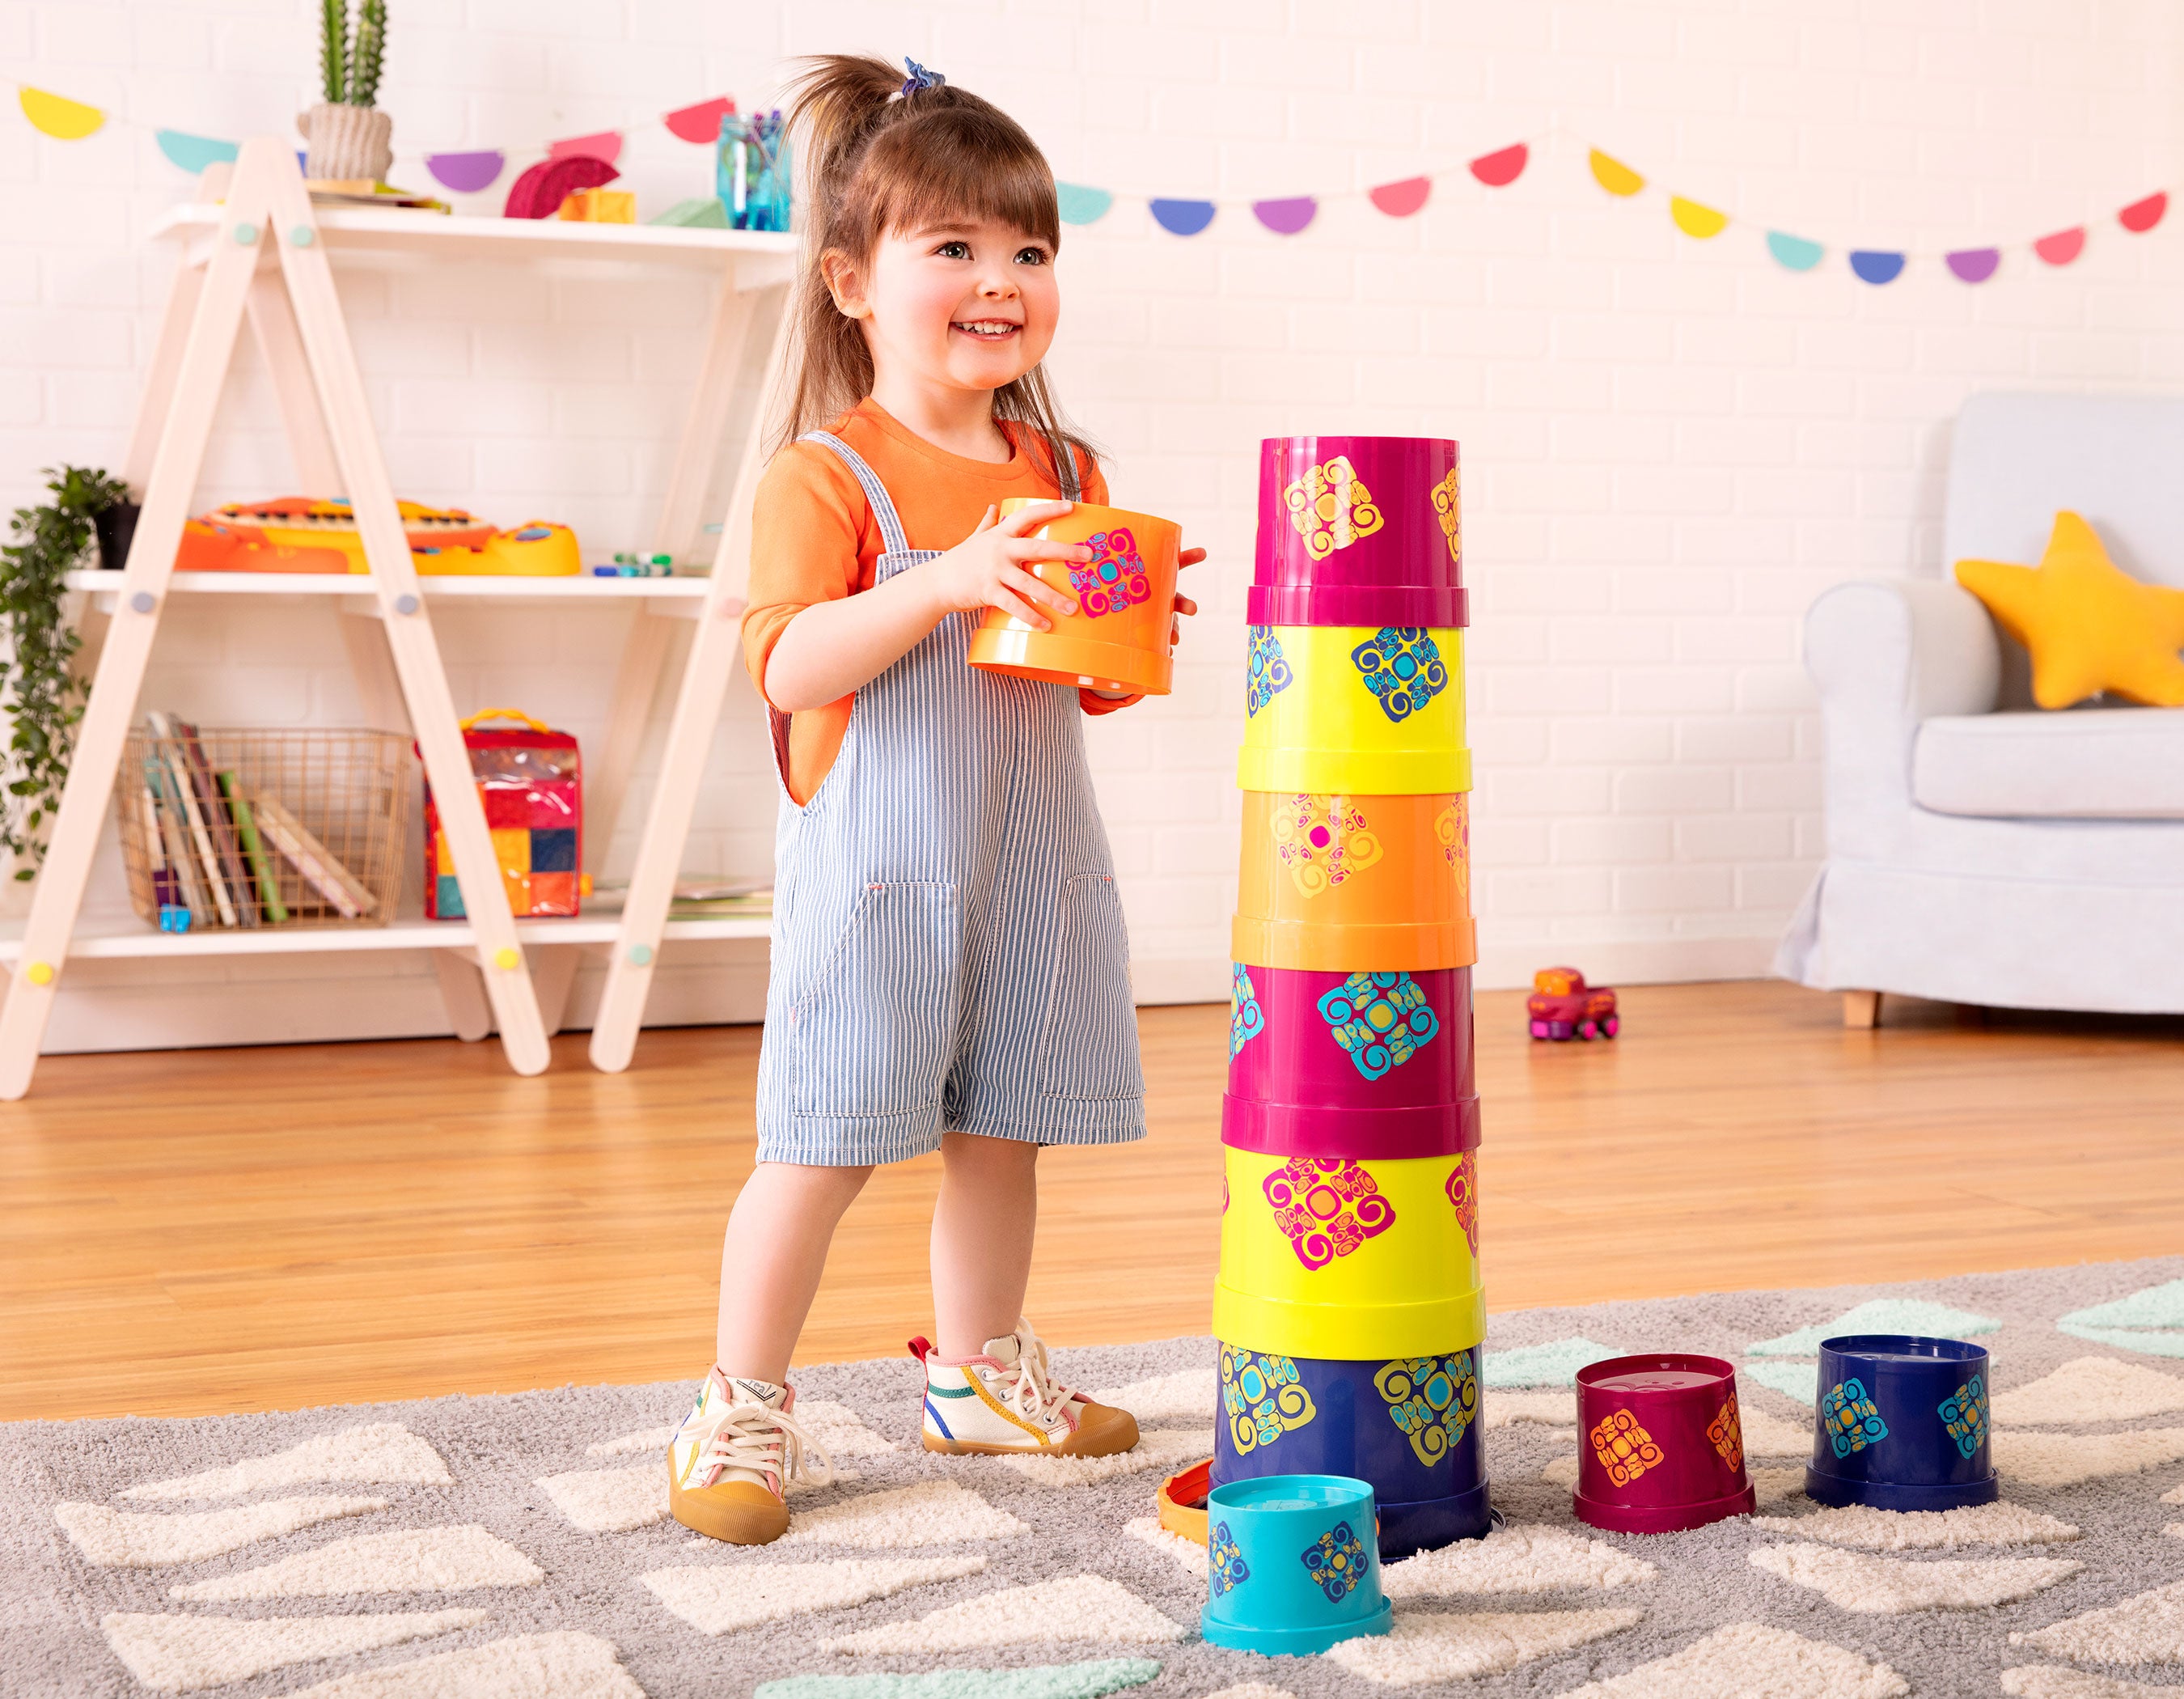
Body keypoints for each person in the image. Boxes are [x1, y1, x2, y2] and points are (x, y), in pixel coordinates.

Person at [667, 53, 1202, 1546]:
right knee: (825, 1141)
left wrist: (1133, 632)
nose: (1000, 279)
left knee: (1004, 1130)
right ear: (853, 281)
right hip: (883, 872)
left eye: (1029, 250)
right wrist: (953, 580)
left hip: (1029, 864)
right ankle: (740, 1400)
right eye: (953, 247)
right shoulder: (825, 475)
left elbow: (1074, 682)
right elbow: (786, 668)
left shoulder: (1066, 461)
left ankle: (975, 1377)